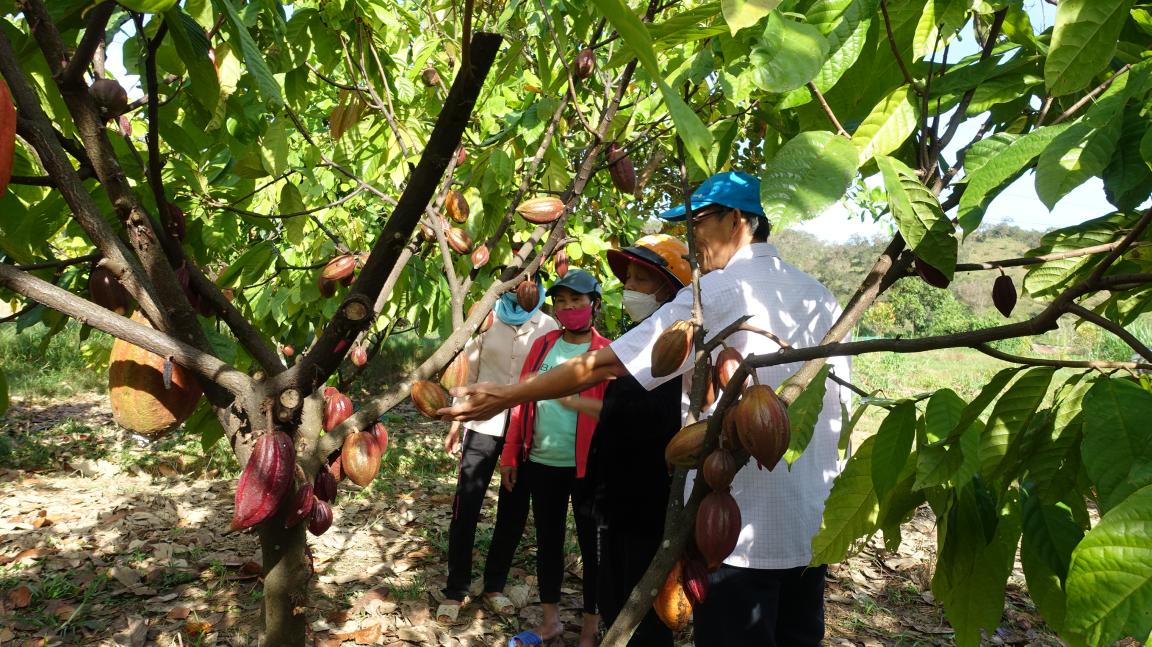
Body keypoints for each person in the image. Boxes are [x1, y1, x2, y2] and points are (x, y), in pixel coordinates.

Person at [440, 171, 851, 646]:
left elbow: (607, 363)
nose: (691, 240)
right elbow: (834, 408)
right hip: (809, 529)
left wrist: (510, 394)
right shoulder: (823, 297)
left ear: (738, 221)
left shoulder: (717, 292)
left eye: (698, 224)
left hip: (736, 538)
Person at [584, 235, 691, 647]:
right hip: (614, 496)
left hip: (653, 501)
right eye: (627, 278)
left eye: (641, 279)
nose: (630, 288)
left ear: (669, 288)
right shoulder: (635, 338)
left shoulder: (681, 347)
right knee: (614, 594)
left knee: (646, 607)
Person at [436, 276, 558, 624]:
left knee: (514, 509)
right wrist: (455, 424)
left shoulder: (548, 325)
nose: (523, 288)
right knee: (466, 505)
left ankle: (494, 586)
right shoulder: (487, 318)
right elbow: (468, 374)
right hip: (482, 426)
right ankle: (455, 589)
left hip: (525, 430)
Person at [502, 268, 610, 647]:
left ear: (594, 304)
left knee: (592, 546)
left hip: (588, 468)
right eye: (561, 302)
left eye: (576, 301)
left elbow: (612, 414)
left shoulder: (606, 352)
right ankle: (550, 623)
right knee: (548, 541)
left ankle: (591, 628)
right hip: (543, 461)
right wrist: (511, 454)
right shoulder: (544, 345)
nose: (568, 308)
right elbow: (522, 400)